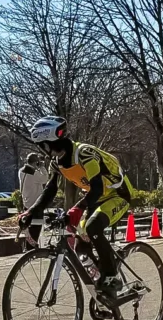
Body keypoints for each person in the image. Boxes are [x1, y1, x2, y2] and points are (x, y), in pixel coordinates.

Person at [18, 116, 134, 305]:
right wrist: (31, 212)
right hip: (94, 199)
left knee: (93, 228)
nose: (41, 150)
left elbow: (96, 188)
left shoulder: (84, 153)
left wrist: (76, 208)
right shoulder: (56, 162)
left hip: (117, 195)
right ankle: (101, 286)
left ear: (47, 144)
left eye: (41, 145)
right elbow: (50, 190)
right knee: (80, 245)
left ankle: (112, 280)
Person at [18, 152, 50, 245]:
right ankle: (32, 248)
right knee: (36, 228)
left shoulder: (21, 171)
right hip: (35, 205)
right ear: (35, 163)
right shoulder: (34, 174)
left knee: (28, 227)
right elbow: (45, 179)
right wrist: (42, 167)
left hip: (26, 204)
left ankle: (28, 247)